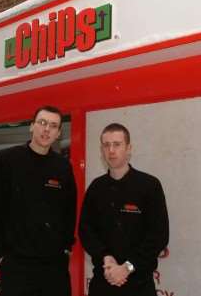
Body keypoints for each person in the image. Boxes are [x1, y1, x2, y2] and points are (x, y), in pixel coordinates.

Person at [0, 105, 77, 296]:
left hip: (54, 267)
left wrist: (66, 247)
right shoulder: (7, 160)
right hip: (17, 266)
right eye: (42, 123)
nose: (46, 129)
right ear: (31, 126)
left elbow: (69, 210)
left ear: (58, 133)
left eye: (53, 125)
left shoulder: (63, 166)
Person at [79, 123, 169, 296]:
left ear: (129, 148)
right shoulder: (96, 188)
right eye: (106, 145)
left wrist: (127, 267)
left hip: (139, 284)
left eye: (117, 144)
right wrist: (105, 257)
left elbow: (159, 235)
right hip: (103, 281)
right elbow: (86, 230)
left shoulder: (149, 186)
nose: (111, 150)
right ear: (101, 149)